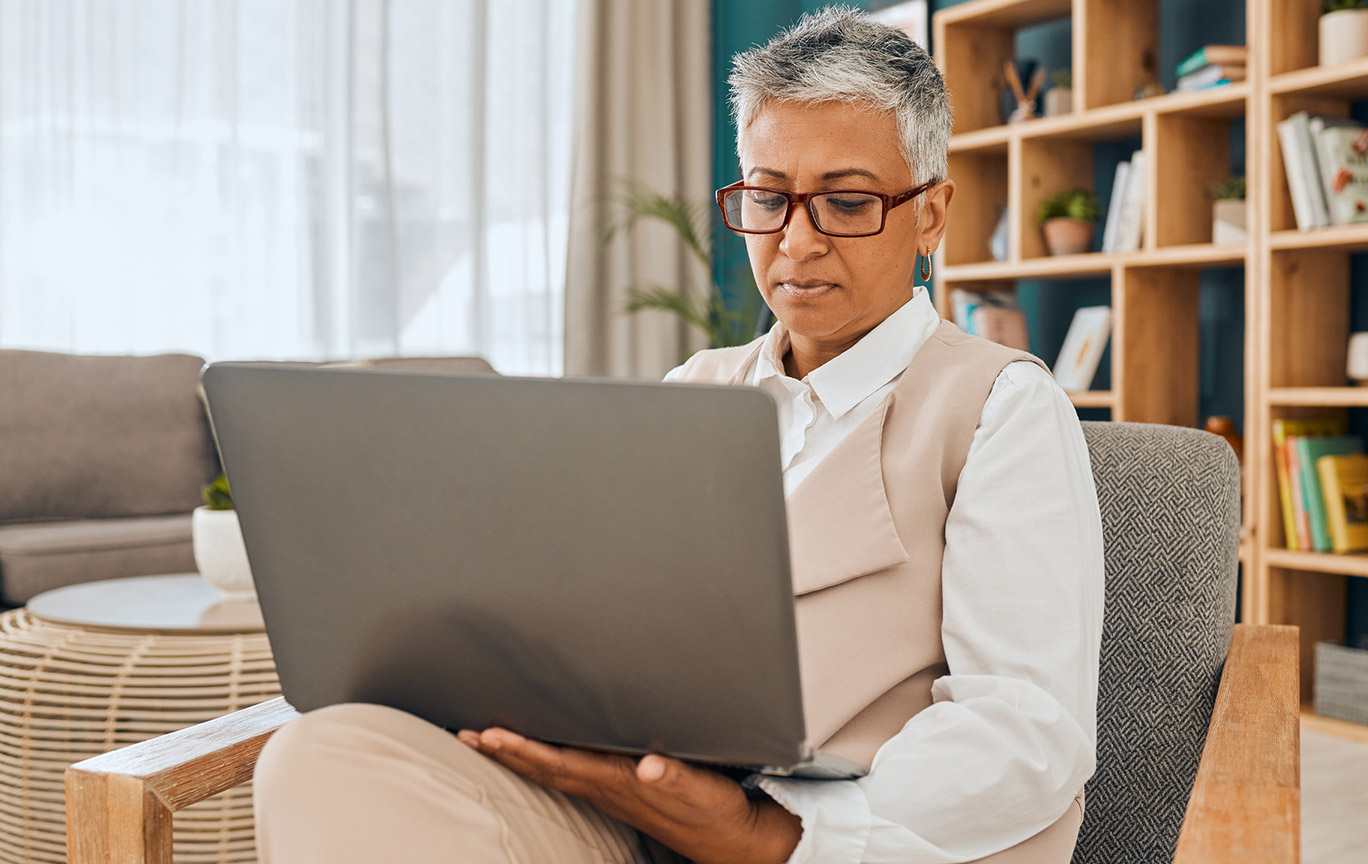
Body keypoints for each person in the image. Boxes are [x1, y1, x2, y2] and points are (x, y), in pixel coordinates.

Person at [252, 8, 1104, 864]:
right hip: (634, 805)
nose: (795, 241)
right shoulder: (695, 390)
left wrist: (771, 834)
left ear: (930, 215)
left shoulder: (1001, 407)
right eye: (768, 197)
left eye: (846, 202)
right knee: (318, 756)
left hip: (834, 841)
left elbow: (1024, 731)